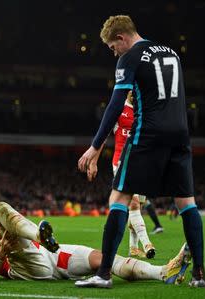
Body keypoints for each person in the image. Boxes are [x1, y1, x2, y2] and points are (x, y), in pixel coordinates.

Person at [77, 15, 205, 288]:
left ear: (121, 38)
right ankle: (199, 274)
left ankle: (103, 274)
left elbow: (115, 105)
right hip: (181, 135)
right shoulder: (171, 53)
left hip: (147, 135)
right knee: (186, 203)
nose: (114, 54)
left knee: (119, 197)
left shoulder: (130, 57)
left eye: (113, 48)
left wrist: (95, 146)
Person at [0, 185, 190, 285]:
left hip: (50, 255)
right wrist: (0, 254)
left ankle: (162, 272)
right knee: (0, 207)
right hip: (23, 265)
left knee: (104, 259)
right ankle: (39, 234)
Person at [86, 91, 156, 259]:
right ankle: (147, 244)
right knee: (132, 204)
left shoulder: (144, 110)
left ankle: (133, 247)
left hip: (141, 163)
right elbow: (102, 137)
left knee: (137, 206)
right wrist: (94, 162)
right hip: (121, 161)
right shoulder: (119, 108)